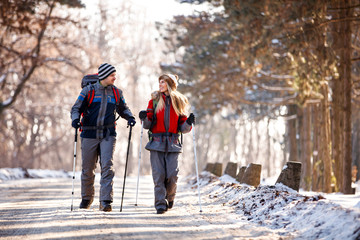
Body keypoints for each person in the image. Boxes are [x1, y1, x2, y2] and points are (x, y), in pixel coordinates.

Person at [70, 63, 136, 212]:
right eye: (112, 75)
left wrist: (130, 117)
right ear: (104, 75)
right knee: (88, 169)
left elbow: (123, 108)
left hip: (108, 134)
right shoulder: (88, 91)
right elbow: (76, 108)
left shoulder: (117, 93)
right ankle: (87, 198)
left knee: (107, 167)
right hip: (88, 134)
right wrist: (75, 119)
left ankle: (106, 201)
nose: (115, 77)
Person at [139, 74, 195, 214]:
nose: (160, 84)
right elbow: (148, 124)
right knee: (158, 176)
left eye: (163, 82)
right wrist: (144, 117)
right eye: (160, 82)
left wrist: (188, 122)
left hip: (173, 143)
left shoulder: (179, 102)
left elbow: (183, 128)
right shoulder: (154, 101)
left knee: (172, 175)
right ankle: (160, 204)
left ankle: (169, 197)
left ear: (170, 84)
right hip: (156, 143)